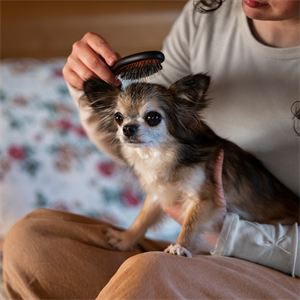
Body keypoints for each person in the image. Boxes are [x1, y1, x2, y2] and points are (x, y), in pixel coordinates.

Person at [3, 0, 300, 299]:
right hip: (210, 253)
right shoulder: (209, 11)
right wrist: (85, 86)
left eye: (152, 116)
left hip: (284, 265)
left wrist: (227, 232)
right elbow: (143, 141)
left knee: (150, 273)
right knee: (33, 243)